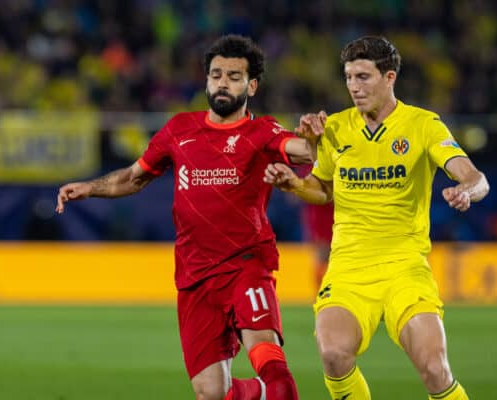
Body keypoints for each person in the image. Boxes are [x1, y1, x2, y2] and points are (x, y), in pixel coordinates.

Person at [56, 34, 319, 400]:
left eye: (233, 76)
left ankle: (277, 392)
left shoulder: (262, 131)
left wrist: (313, 140)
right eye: (216, 75)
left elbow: (302, 151)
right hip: (195, 276)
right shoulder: (180, 130)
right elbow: (135, 177)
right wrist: (90, 187)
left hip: (246, 263)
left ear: (252, 85)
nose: (222, 82)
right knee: (210, 392)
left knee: (273, 370)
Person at [264, 36, 489, 400]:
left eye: (363, 77)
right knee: (334, 354)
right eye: (349, 77)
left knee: (434, 368)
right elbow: (323, 189)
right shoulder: (336, 127)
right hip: (350, 268)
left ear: (389, 78)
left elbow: (475, 177)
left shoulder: (423, 125)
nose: (354, 86)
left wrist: (467, 190)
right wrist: (292, 184)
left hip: (405, 267)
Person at [297, 164, 334, 292]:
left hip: (339, 218)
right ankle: (320, 293)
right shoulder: (310, 163)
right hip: (320, 219)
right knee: (322, 255)